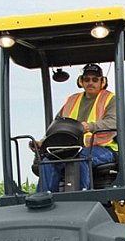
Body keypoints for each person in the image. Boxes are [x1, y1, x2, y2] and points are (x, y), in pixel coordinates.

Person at [35, 63, 117, 191]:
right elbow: (57, 126)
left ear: (102, 81)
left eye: (95, 79)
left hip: (104, 148)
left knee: (80, 157)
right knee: (48, 160)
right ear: (81, 81)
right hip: (73, 148)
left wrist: (89, 126)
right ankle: (45, 199)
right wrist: (43, 141)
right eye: (87, 79)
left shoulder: (110, 99)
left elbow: (113, 123)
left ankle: (82, 197)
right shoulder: (72, 100)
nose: (90, 83)